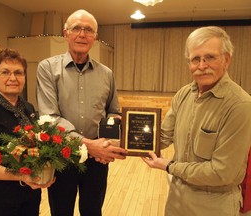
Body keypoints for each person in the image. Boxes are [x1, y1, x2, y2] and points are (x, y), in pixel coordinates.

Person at [142, 26, 251, 216]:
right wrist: (123, 143)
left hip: (214, 205)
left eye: (210, 57)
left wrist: (169, 166)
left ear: (226, 60)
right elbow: (163, 136)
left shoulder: (240, 105)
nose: (202, 65)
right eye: (195, 59)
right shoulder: (184, 94)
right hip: (176, 199)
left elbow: (221, 172)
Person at [36, 9, 128, 216]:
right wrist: (89, 145)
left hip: (98, 160)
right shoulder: (47, 68)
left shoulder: (107, 74)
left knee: (93, 210)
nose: (82, 34)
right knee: (61, 211)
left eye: (88, 30)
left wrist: (108, 143)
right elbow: (49, 118)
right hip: (62, 156)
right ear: (66, 33)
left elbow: (114, 113)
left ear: (95, 37)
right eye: (76, 28)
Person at [0, 48, 54, 216]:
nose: (13, 78)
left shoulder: (28, 108)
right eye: (5, 72)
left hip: (29, 195)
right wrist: (22, 176)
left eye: (18, 73)